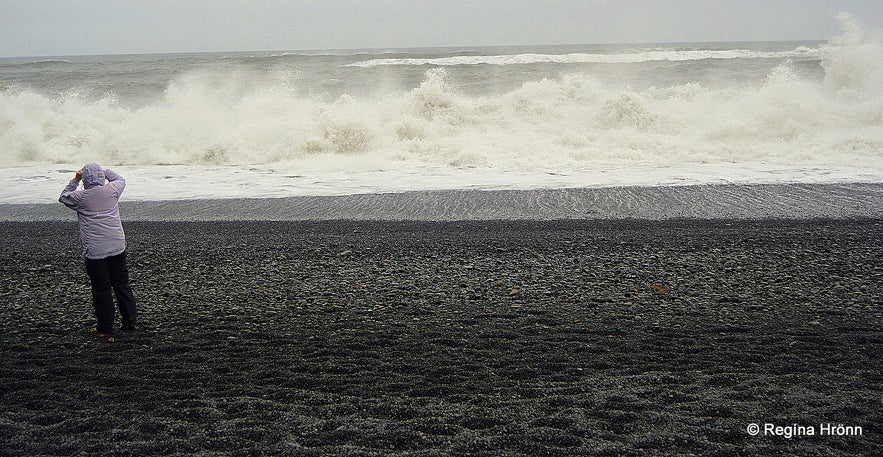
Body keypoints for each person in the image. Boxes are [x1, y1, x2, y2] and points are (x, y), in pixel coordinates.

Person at [59, 163, 137, 336]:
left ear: (85, 179)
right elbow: (120, 179)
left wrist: (75, 180)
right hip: (117, 245)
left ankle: (105, 326)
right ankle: (130, 320)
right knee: (122, 284)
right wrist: (105, 171)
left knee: (101, 289)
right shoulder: (112, 191)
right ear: (101, 177)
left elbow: (64, 197)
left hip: (95, 251)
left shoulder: (80, 197)